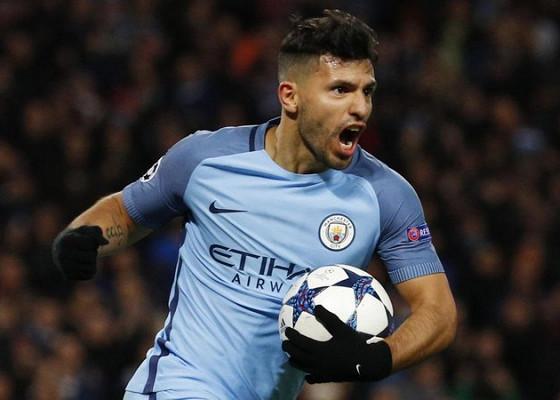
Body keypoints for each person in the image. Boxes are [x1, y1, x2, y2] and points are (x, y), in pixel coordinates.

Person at [52, 9, 457, 400]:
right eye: (340, 90)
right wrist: (83, 236)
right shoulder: (204, 160)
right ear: (290, 97)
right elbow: (126, 212)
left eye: (367, 91)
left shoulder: (384, 195)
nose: (361, 107)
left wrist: (378, 357)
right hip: (178, 385)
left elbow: (437, 311)